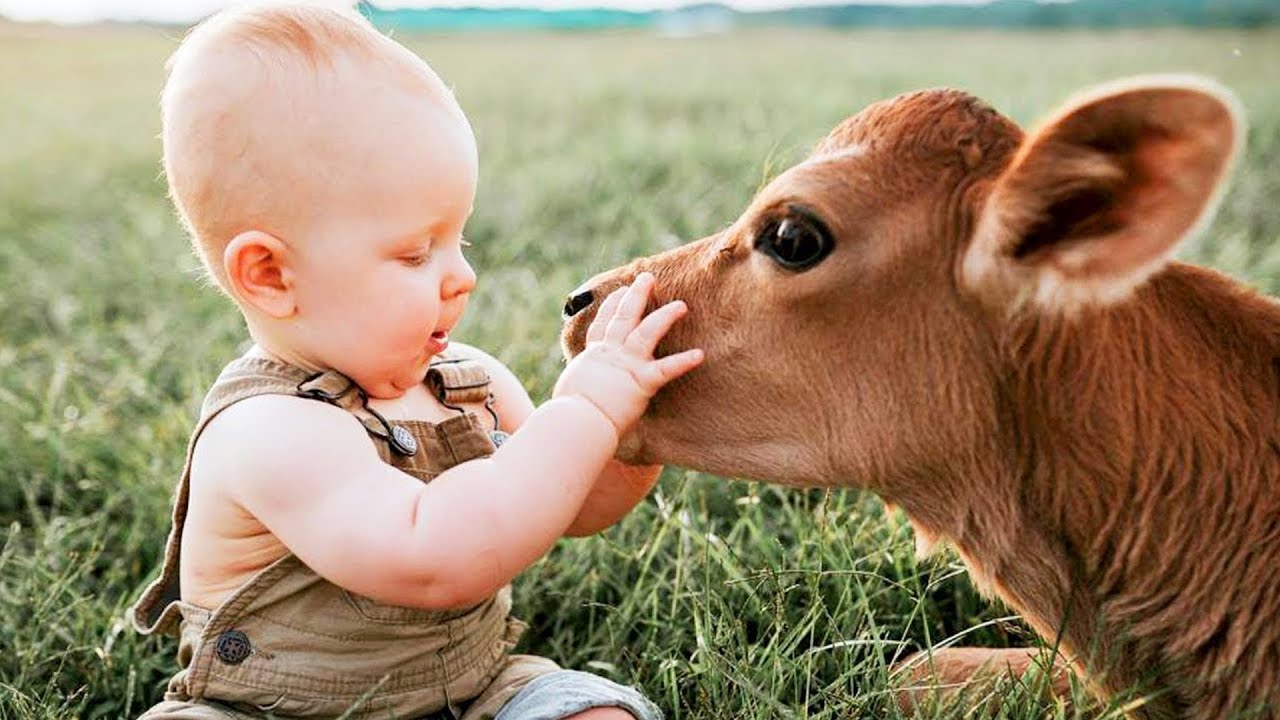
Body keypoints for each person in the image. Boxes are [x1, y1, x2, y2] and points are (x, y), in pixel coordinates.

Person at [129, 5, 702, 718]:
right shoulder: (269, 433)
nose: (460, 275)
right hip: (271, 711)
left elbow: (574, 501)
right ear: (271, 275)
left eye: (459, 238)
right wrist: (583, 410)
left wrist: (631, 434)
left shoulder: (472, 384)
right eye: (413, 252)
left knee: (591, 711)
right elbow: (438, 557)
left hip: (471, 689)